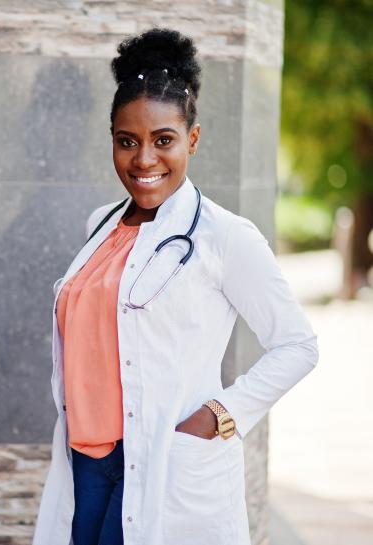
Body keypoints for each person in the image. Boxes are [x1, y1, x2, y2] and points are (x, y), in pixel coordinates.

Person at [32, 27, 319, 545]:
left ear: (192, 138)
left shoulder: (225, 236)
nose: (144, 160)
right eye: (128, 141)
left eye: (163, 140)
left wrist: (219, 416)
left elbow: (298, 345)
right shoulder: (101, 225)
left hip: (163, 460)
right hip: (87, 461)